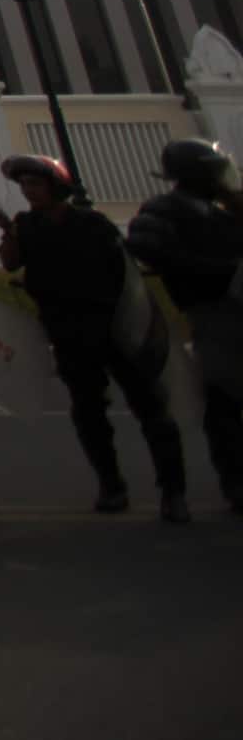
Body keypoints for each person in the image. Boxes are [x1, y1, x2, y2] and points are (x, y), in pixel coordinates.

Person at [0, 153, 187, 522]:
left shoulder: (92, 224)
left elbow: (124, 275)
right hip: (67, 331)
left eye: (35, 184)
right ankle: (111, 485)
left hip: (113, 327)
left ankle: (173, 491)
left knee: (151, 409)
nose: (28, 191)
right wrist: (9, 235)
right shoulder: (27, 225)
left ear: (56, 187)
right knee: (88, 411)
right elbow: (10, 263)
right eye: (24, 186)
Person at [124, 139, 242, 515]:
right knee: (224, 400)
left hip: (234, 305)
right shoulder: (166, 210)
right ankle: (236, 482)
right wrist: (216, 270)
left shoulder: (220, 213)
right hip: (211, 311)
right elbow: (146, 247)